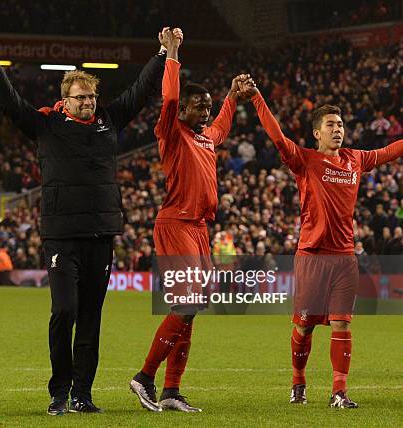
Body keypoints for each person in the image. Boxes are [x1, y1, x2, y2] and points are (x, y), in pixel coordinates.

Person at [0, 29, 167, 415]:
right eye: (81, 97)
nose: (89, 103)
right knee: (64, 311)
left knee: (91, 318)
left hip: (101, 234)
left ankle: (83, 394)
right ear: (65, 100)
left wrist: (163, 53)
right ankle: (59, 391)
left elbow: (141, 91)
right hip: (62, 236)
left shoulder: (108, 120)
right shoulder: (46, 125)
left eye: (92, 97)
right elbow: (9, 102)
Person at [244, 79, 403, 408]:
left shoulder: (355, 160)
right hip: (312, 256)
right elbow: (276, 135)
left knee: (341, 322)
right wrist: (258, 97)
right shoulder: (304, 161)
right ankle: (298, 382)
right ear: (317, 133)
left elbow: (390, 151)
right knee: (304, 328)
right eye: (331, 124)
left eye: (341, 124)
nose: (338, 129)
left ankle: (338, 392)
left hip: (345, 256)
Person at [128, 28, 250, 412]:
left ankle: (171, 390)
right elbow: (170, 97)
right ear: (182, 110)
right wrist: (173, 53)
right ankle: (144, 377)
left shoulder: (205, 138)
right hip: (175, 223)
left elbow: (221, 126)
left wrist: (230, 96)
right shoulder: (172, 131)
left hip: (199, 228)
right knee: (185, 305)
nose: (205, 111)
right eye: (199, 106)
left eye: (208, 106)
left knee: (191, 311)